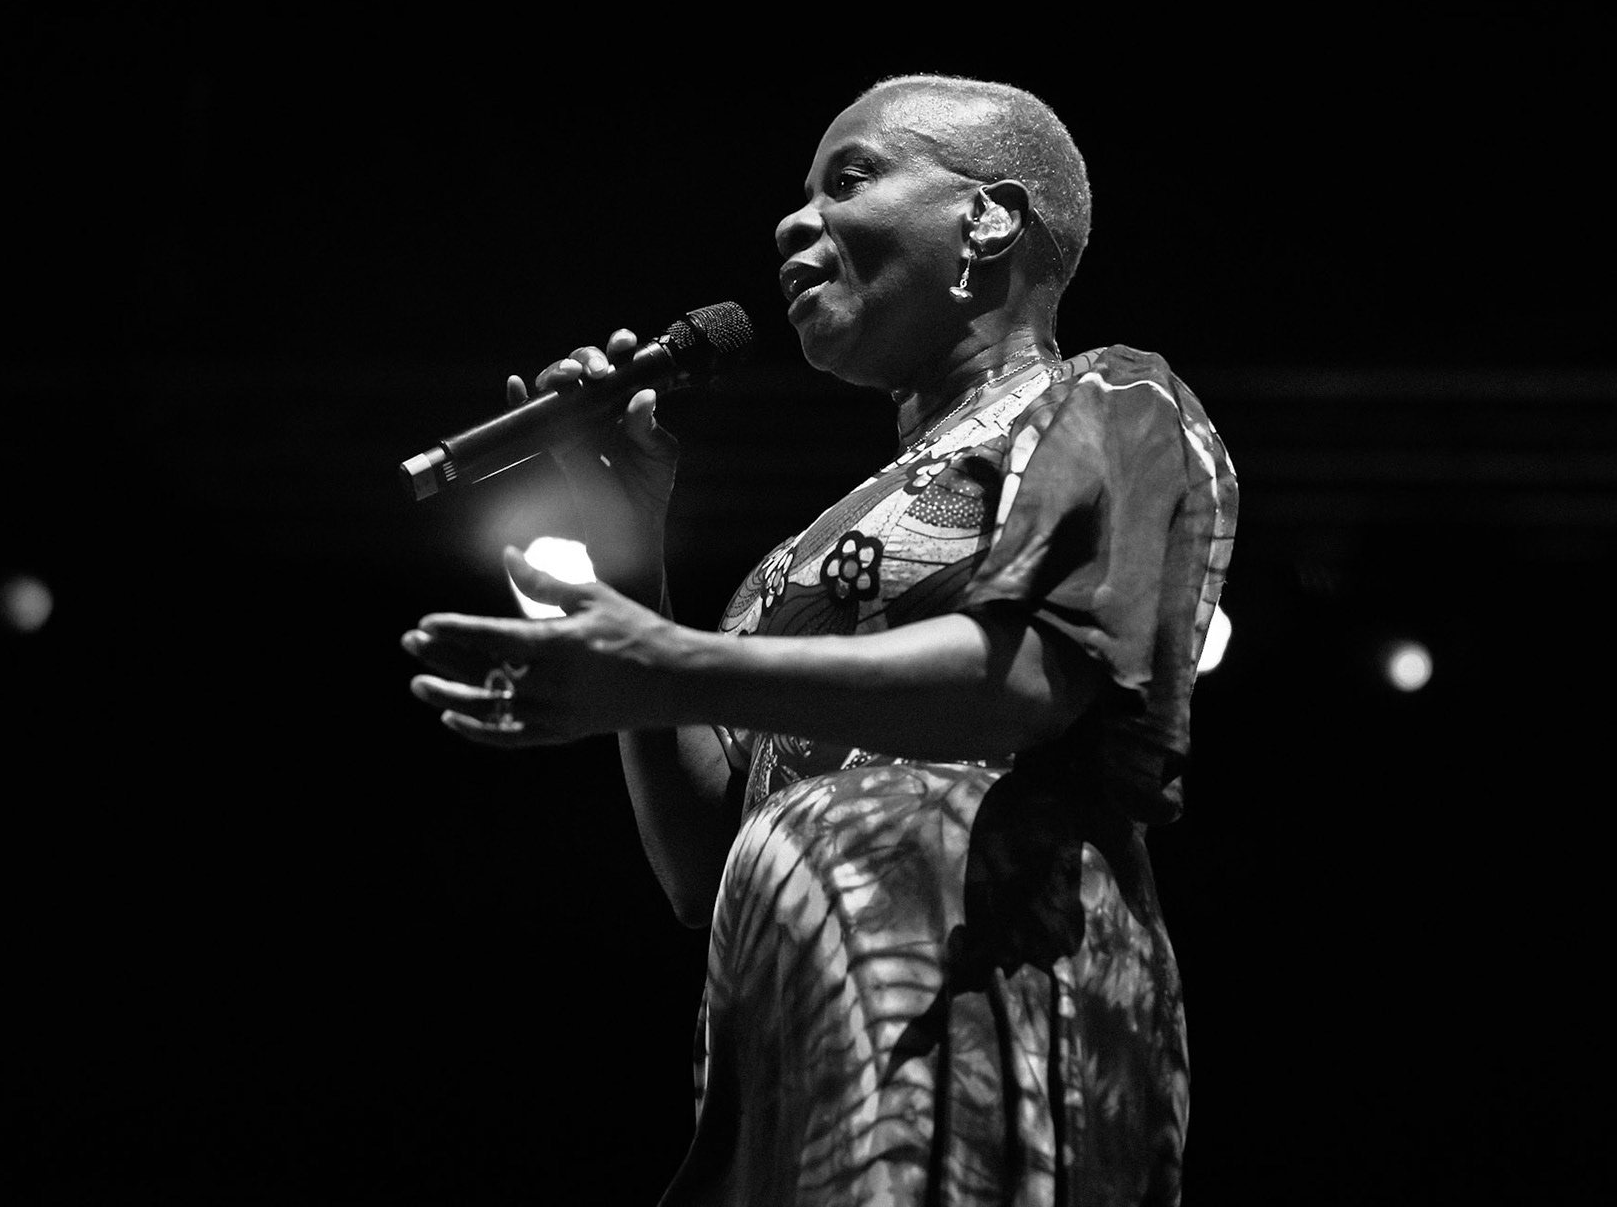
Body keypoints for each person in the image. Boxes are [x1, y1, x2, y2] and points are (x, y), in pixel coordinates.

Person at [403, 74, 1237, 1206]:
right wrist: (636, 559)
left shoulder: (1114, 400)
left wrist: (671, 661)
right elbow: (703, 868)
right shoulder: (795, 557)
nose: (795, 222)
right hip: (792, 1022)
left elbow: (1032, 679)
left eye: (850, 179)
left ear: (988, 220)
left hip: (982, 989)